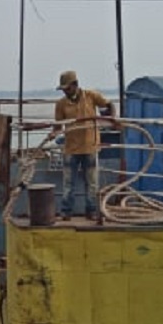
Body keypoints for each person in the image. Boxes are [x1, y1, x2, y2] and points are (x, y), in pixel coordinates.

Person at [48, 70, 116, 220]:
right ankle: (66, 212)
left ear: (75, 85)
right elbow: (58, 126)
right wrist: (53, 133)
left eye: (67, 88)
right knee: (68, 183)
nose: (65, 91)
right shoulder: (61, 104)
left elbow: (108, 104)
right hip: (71, 148)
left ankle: (91, 211)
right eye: (63, 89)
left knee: (91, 182)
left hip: (90, 146)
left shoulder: (91, 96)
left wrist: (112, 119)